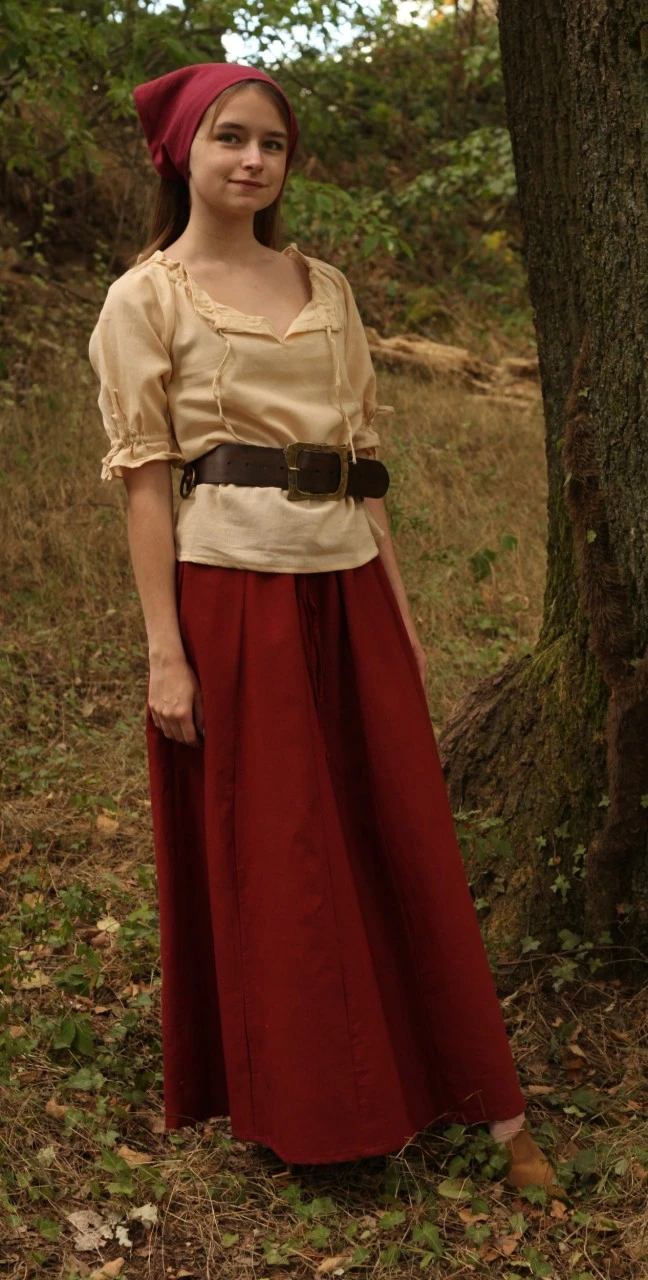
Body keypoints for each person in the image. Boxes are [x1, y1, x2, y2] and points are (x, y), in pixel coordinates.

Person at [88, 61, 564, 1194]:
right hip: (230, 597)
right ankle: (319, 1110)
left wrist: (397, 611)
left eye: (273, 142)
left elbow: (364, 462)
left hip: (346, 586)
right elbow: (146, 485)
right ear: (182, 153)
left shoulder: (328, 287)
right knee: (284, 849)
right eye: (230, 138)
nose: (254, 159)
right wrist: (166, 653)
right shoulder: (145, 298)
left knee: (399, 830)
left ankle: (476, 1094)